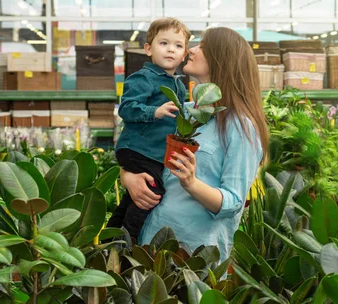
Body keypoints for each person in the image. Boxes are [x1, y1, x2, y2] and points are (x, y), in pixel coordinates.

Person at [119, 27, 269, 262]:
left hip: (194, 254)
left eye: (202, 47)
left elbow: (233, 203)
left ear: (221, 60)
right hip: (149, 242)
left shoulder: (240, 126)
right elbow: (141, 146)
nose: (192, 50)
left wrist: (191, 183)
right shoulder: (182, 111)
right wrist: (127, 176)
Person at [107, 18, 190, 240]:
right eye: (163, 43)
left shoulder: (179, 86)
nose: (171, 49)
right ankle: (127, 242)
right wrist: (154, 111)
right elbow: (126, 108)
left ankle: (109, 239)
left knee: (131, 199)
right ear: (148, 49)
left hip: (151, 151)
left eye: (178, 45)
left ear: (184, 54)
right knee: (151, 192)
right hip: (138, 148)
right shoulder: (144, 78)